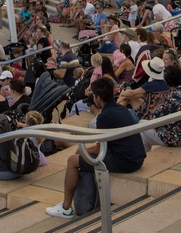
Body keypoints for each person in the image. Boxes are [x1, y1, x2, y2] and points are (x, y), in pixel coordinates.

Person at [45, 78, 146, 219]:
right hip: (137, 157)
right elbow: (104, 144)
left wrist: (85, 151)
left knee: (72, 161)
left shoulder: (104, 116)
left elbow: (100, 150)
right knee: (81, 156)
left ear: (98, 98)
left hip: (125, 162)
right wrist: (88, 150)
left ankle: (66, 207)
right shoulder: (122, 109)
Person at [119, 63, 181, 151]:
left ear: (167, 81)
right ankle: (143, 155)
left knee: (141, 126)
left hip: (176, 138)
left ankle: (142, 156)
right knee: (143, 130)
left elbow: (155, 116)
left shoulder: (173, 97)